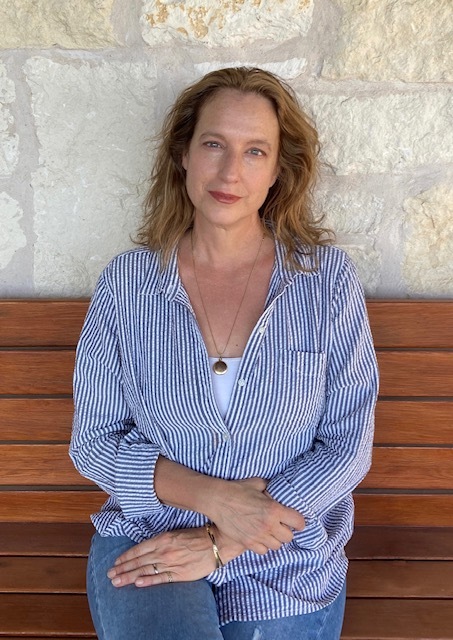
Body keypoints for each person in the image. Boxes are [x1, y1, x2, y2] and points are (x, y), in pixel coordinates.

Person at [70, 66, 378, 640]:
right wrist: (213, 499)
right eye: (214, 144)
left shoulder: (326, 283)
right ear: (183, 153)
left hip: (287, 559)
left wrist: (223, 538)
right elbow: (94, 444)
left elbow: (347, 447)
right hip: (150, 537)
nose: (230, 171)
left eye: (255, 151)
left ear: (278, 172)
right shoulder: (127, 284)